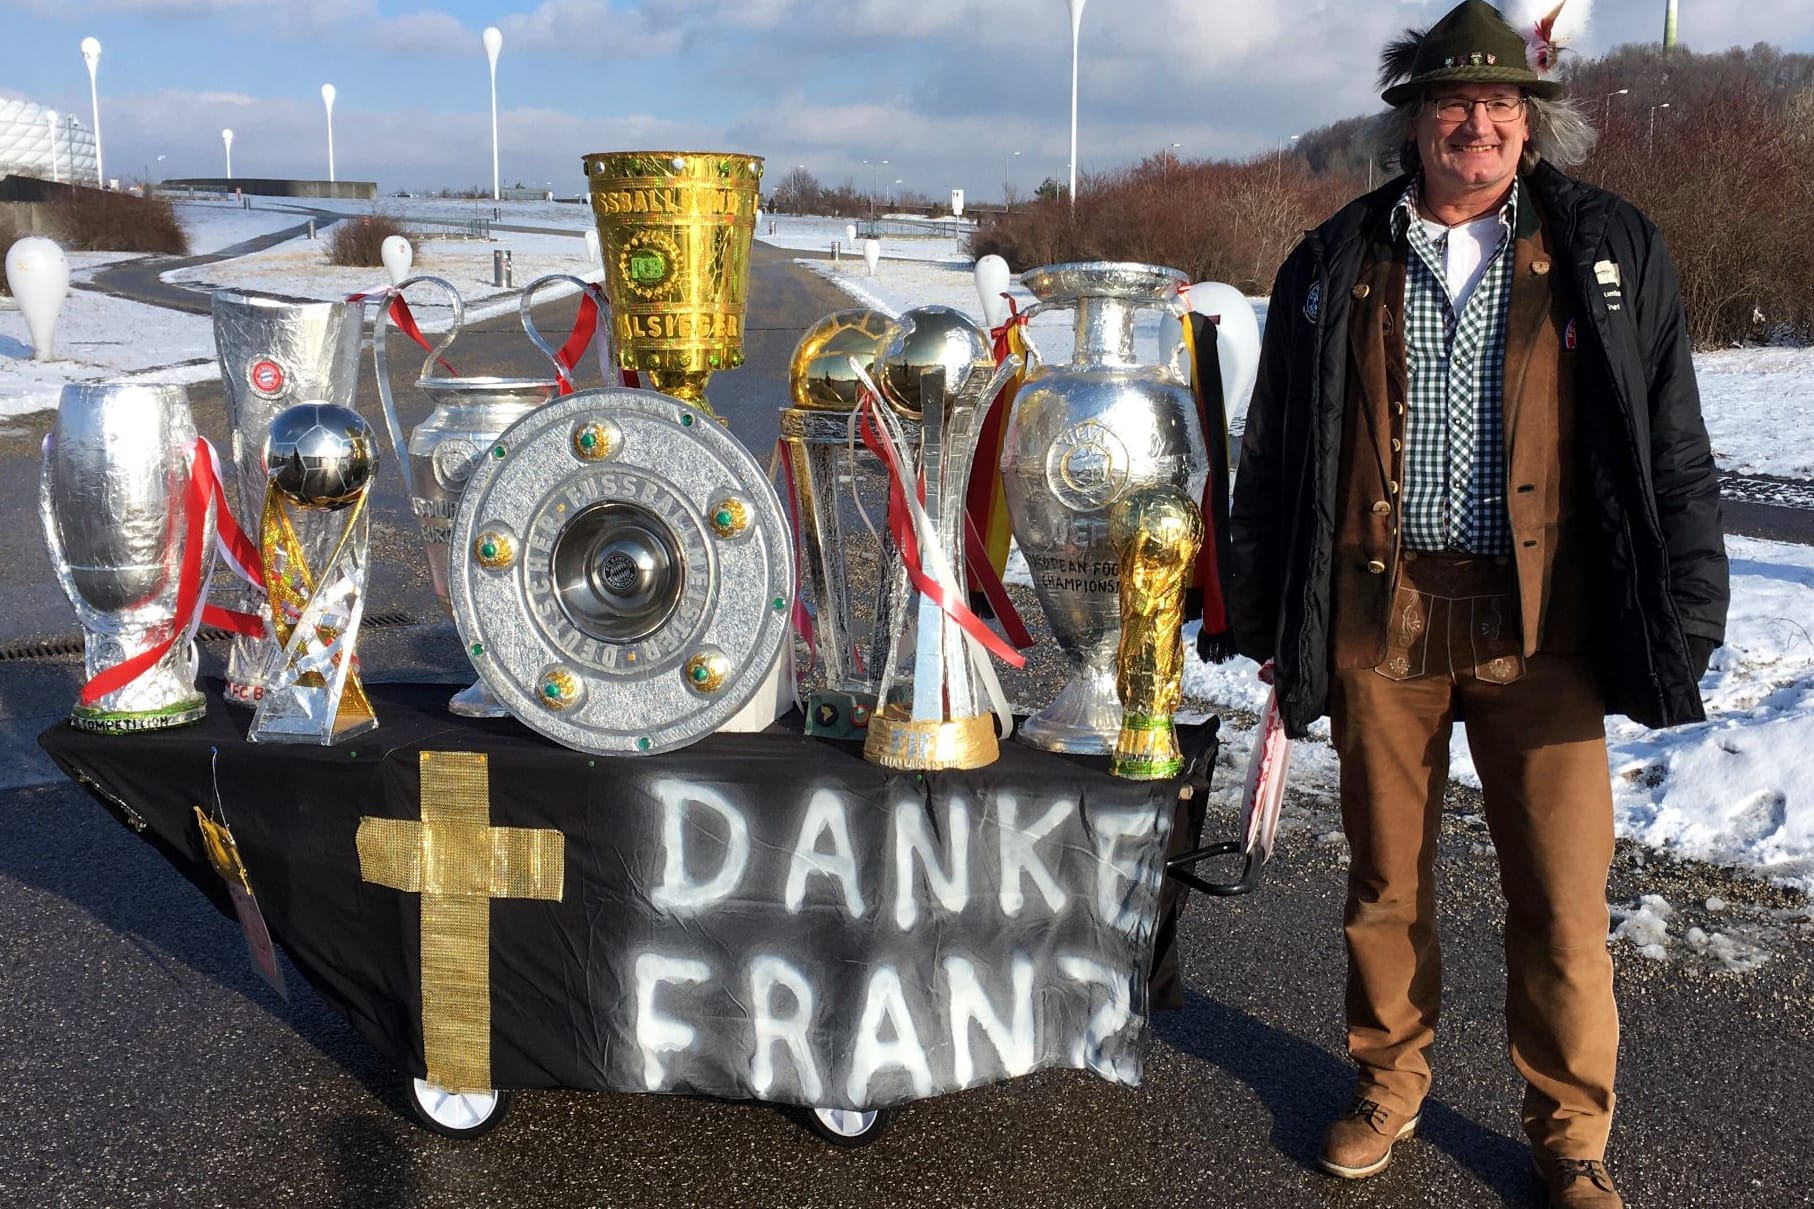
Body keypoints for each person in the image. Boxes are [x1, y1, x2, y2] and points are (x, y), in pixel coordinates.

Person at [1223, 3, 1728, 1206]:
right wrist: (1255, 606)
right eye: (1455, 105)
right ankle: (1385, 1085)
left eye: (1503, 106)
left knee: (1558, 895)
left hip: (1543, 626)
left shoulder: (1605, 246)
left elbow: (1669, 438)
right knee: (1383, 884)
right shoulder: (1333, 257)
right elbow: (1276, 447)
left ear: (1531, 122)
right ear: (1410, 122)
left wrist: (1687, 601)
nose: (1481, 124)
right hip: (1377, 618)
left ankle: (1568, 1134)